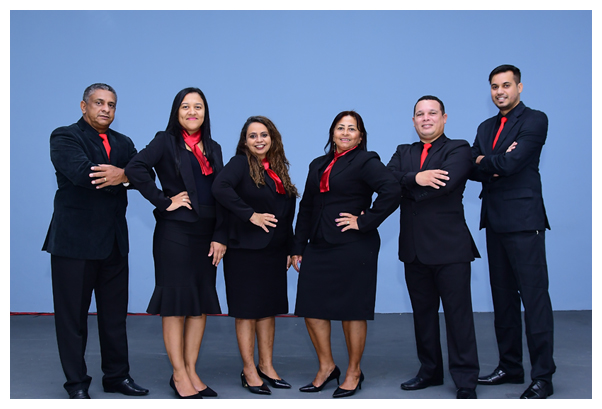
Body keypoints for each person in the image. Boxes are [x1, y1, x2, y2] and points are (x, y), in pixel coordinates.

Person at [42, 83, 149, 399]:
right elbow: (81, 173)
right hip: (74, 244)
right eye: (99, 103)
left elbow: (143, 175)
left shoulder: (123, 142)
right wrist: (124, 176)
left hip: (114, 244)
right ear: (83, 106)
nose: (106, 109)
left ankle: (117, 377)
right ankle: (76, 384)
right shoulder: (64, 137)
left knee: (115, 318)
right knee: (72, 319)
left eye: (112, 105)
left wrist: (126, 175)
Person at [124, 87, 226, 399]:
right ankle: (178, 374)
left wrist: (221, 236)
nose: (192, 112)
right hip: (176, 235)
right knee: (176, 306)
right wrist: (163, 200)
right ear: (176, 111)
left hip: (207, 236)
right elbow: (135, 168)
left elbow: (222, 194)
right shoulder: (164, 141)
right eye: (186, 106)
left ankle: (191, 371)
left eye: (198, 107)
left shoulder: (214, 147)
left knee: (199, 306)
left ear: (205, 112)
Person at [291, 111, 400, 398]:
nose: (345, 132)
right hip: (319, 244)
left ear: (360, 136)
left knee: (352, 311)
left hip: (354, 245)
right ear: (332, 133)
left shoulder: (366, 161)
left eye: (352, 129)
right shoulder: (318, 164)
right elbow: (307, 207)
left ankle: (353, 371)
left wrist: (363, 221)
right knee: (311, 308)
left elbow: (392, 190)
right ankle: (327, 367)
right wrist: (297, 246)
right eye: (341, 127)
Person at [386, 96, 480, 399]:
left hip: (450, 248)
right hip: (413, 249)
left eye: (432, 113)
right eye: (419, 114)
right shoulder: (404, 152)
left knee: (458, 316)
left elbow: (447, 184)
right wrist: (417, 177)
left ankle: (465, 381)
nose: (426, 118)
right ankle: (429, 371)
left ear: (444, 117)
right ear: (413, 121)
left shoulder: (458, 148)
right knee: (422, 315)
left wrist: (407, 186)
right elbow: (387, 182)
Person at [470, 64, 555, 399]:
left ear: (519, 87)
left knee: (534, 301)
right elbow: (472, 167)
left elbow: (511, 164)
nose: (500, 92)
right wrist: (489, 162)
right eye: (494, 86)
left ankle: (543, 377)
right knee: (503, 300)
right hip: (494, 221)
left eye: (506, 85)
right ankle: (510, 367)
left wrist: (485, 162)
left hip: (524, 221)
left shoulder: (535, 119)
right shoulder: (485, 125)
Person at [212, 116, 297, 395]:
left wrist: (289, 247)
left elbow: (287, 214)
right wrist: (251, 215)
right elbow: (219, 188)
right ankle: (249, 370)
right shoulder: (239, 164)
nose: (259, 140)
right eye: (252, 136)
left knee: (268, 310)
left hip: (274, 252)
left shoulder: (277, 169)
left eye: (264, 134)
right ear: (245, 141)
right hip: (245, 251)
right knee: (247, 313)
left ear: (272, 138)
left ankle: (267, 366)